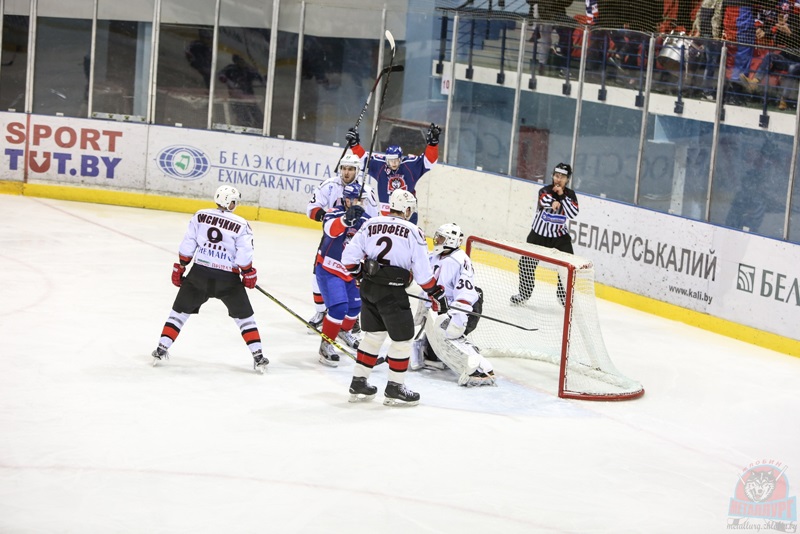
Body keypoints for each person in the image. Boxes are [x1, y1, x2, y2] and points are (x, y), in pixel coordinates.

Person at [341, 189, 447, 406]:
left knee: (372, 336)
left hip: (369, 289)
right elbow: (423, 274)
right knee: (403, 339)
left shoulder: (370, 224)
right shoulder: (413, 231)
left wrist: (360, 275)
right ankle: (395, 388)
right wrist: (436, 293)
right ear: (406, 210)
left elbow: (348, 260)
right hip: (392, 292)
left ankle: (359, 382)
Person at [151, 185, 268, 373]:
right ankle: (258, 356)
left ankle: (161, 348)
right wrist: (248, 272)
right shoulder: (241, 224)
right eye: (233, 201)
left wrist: (182, 265)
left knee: (179, 313)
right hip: (227, 279)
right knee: (245, 318)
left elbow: (189, 243)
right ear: (227, 202)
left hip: (199, 275)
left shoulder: (200, 215)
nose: (235, 204)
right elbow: (244, 253)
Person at [412, 223, 496, 387]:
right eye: (437, 236)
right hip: (443, 307)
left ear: (450, 241)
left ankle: (480, 369)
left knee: (450, 338)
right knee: (434, 353)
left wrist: (458, 320)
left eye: (441, 238)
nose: (436, 240)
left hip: (464, 310)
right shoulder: (435, 256)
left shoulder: (459, 260)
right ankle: (431, 352)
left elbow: (465, 294)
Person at [305, 152, 379, 332]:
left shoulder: (366, 192)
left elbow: (374, 220)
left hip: (355, 241)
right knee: (318, 275)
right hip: (332, 236)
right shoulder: (329, 185)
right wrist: (330, 218)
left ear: (357, 171)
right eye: (344, 168)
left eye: (351, 169)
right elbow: (311, 209)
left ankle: (351, 317)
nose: (346, 172)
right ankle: (321, 312)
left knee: (354, 279)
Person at [315, 182, 371, 367]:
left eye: (361, 200)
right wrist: (346, 220)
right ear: (346, 199)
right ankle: (326, 344)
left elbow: (370, 244)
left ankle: (342, 331)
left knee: (355, 307)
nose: (359, 203)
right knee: (339, 308)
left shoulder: (366, 220)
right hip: (329, 268)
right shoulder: (334, 213)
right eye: (355, 200)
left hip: (350, 271)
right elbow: (330, 230)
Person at [510, 162, 580, 306]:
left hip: (559, 237)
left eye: (562, 177)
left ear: (567, 179)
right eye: (556, 176)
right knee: (526, 264)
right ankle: (524, 294)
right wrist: (554, 201)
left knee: (569, 266)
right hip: (538, 235)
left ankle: (563, 296)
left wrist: (561, 196)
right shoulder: (545, 190)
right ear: (552, 176)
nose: (558, 179)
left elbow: (573, 213)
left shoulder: (570, 195)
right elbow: (544, 200)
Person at [346, 123, 441, 224]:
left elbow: (428, 162)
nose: (394, 163)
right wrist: (354, 145)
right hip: (387, 211)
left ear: (401, 159)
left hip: (408, 212)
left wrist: (432, 145)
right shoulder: (381, 166)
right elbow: (363, 160)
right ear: (386, 160)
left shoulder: (410, 166)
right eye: (391, 160)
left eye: (396, 160)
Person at [218, 54, 265, 128]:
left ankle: (259, 126)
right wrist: (228, 81)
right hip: (236, 98)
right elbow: (221, 75)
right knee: (243, 117)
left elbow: (259, 77)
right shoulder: (230, 69)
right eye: (239, 60)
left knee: (257, 115)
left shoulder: (248, 70)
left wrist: (262, 80)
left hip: (249, 97)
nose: (241, 62)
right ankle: (244, 126)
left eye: (242, 60)